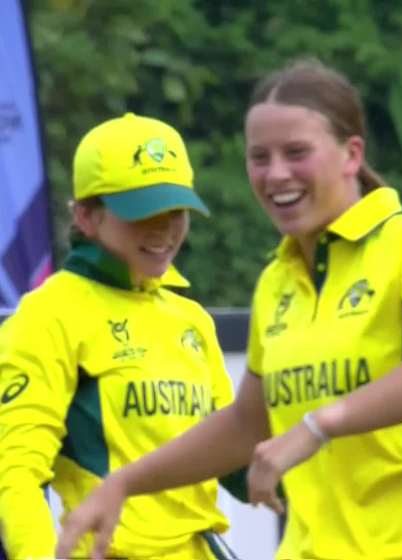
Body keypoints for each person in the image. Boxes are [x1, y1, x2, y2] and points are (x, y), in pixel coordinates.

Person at [56, 58, 402, 560]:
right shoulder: (276, 279)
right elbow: (250, 424)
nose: (275, 174)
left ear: (351, 154)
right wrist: (124, 483)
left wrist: (321, 424)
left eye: (296, 152)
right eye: (259, 157)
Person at [0, 113, 243, 560]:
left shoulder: (191, 319)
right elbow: (16, 474)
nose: (164, 228)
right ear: (87, 217)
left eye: (176, 210)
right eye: (142, 212)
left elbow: (232, 456)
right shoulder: (47, 315)